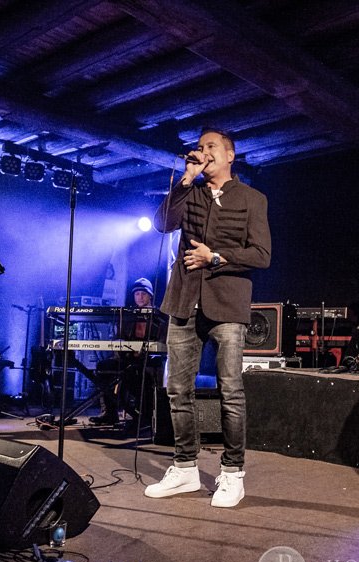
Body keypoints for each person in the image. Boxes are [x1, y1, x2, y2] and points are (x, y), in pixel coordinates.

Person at [145, 128, 271, 508]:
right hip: (184, 301)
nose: (203, 152)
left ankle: (232, 473)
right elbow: (162, 224)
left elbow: (261, 255)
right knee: (177, 389)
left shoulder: (252, 199)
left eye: (211, 146)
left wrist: (214, 257)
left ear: (230, 155)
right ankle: (185, 467)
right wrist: (185, 179)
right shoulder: (191, 192)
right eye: (200, 147)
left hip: (227, 305)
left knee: (229, 390)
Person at [89, 277, 165, 427]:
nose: (140, 297)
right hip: (127, 359)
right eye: (137, 294)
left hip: (149, 362)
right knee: (104, 367)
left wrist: (143, 352)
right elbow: (119, 338)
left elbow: (162, 343)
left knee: (139, 375)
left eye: (143, 294)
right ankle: (109, 413)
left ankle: (142, 415)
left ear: (150, 295)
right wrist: (121, 347)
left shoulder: (159, 317)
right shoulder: (128, 316)